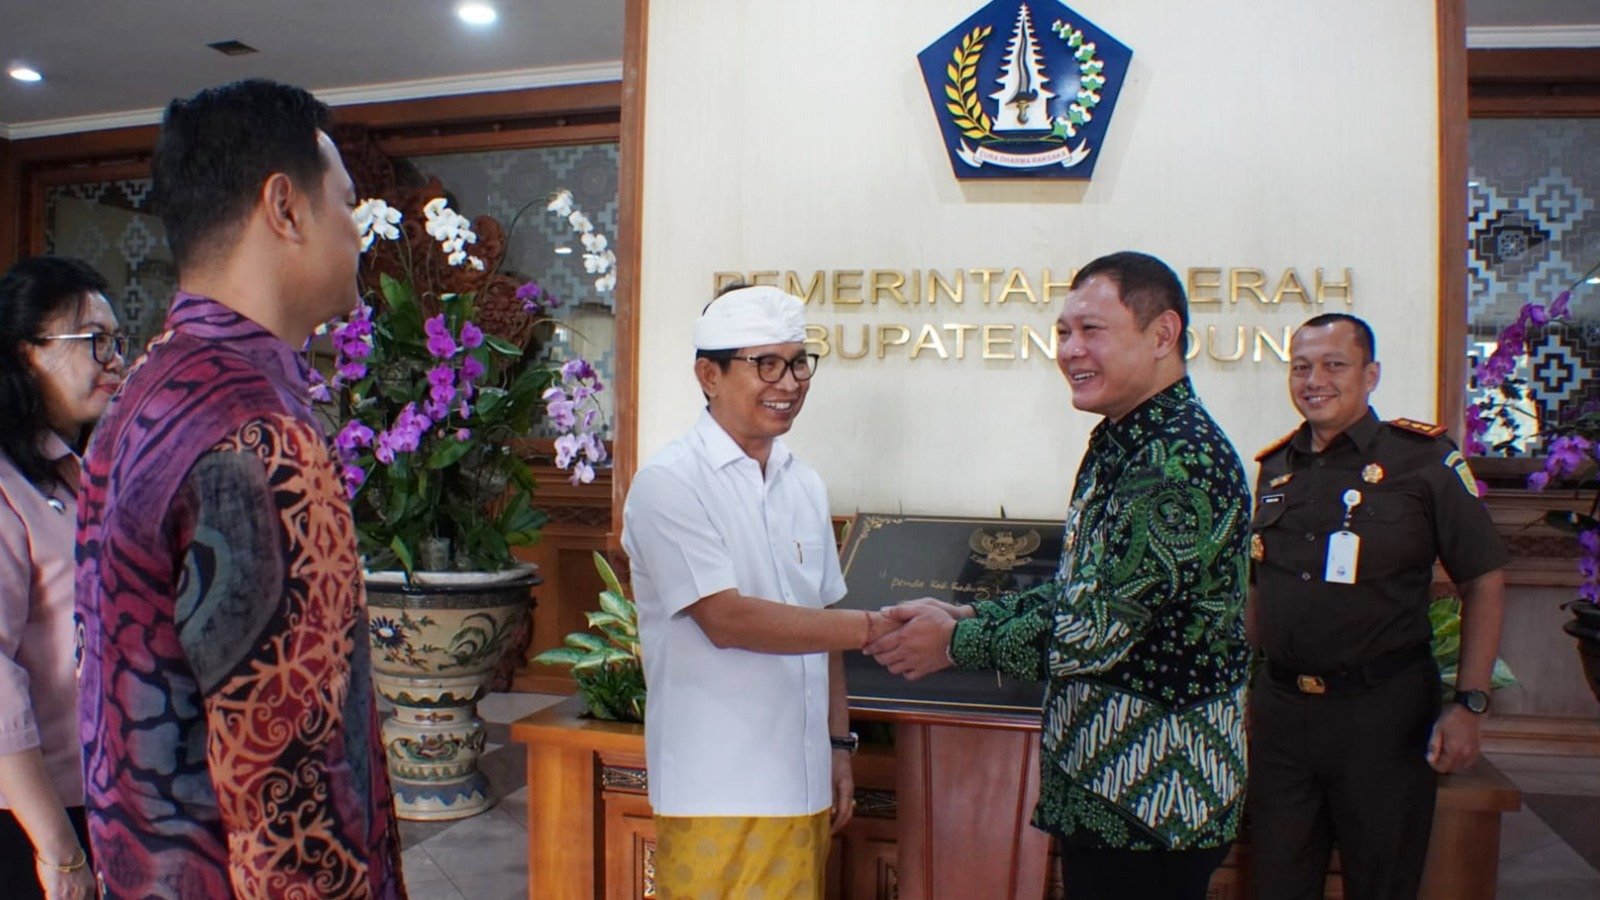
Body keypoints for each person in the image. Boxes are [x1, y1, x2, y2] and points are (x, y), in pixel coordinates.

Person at [75, 79, 405, 897]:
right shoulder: (259, 431)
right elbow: (293, 802)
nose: (356, 235)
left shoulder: (149, 388)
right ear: (285, 208)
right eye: (346, 205)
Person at [866, 252, 1252, 900]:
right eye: (1063, 332)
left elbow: (1094, 630)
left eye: (1092, 330)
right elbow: (1086, 586)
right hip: (1109, 785)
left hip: (1155, 798)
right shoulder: (1125, 440)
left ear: (1163, 334)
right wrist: (972, 615)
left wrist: (955, 644)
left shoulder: (1178, 461)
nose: (1071, 350)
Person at [621, 284, 897, 899]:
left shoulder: (805, 484)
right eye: (764, 363)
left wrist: (837, 747)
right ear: (708, 375)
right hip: (716, 787)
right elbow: (728, 620)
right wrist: (876, 628)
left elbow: (820, 622)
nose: (789, 381)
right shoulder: (669, 484)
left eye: (799, 362)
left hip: (801, 783)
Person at [1245, 313, 1507, 900]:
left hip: (1382, 717)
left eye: (1334, 365)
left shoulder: (1423, 460)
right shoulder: (1276, 466)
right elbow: (1260, 587)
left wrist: (1470, 703)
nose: (1315, 379)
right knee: (1276, 883)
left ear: (1371, 375)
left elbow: (1484, 579)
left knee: (1381, 883)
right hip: (1284, 715)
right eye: (1301, 366)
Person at [0, 256, 124, 900]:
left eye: (117, 342)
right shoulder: (7, 483)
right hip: (27, 813)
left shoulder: (81, 473)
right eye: (92, 341)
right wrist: (59, 851)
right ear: (26, 355)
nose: (114, 360)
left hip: (100, 792)